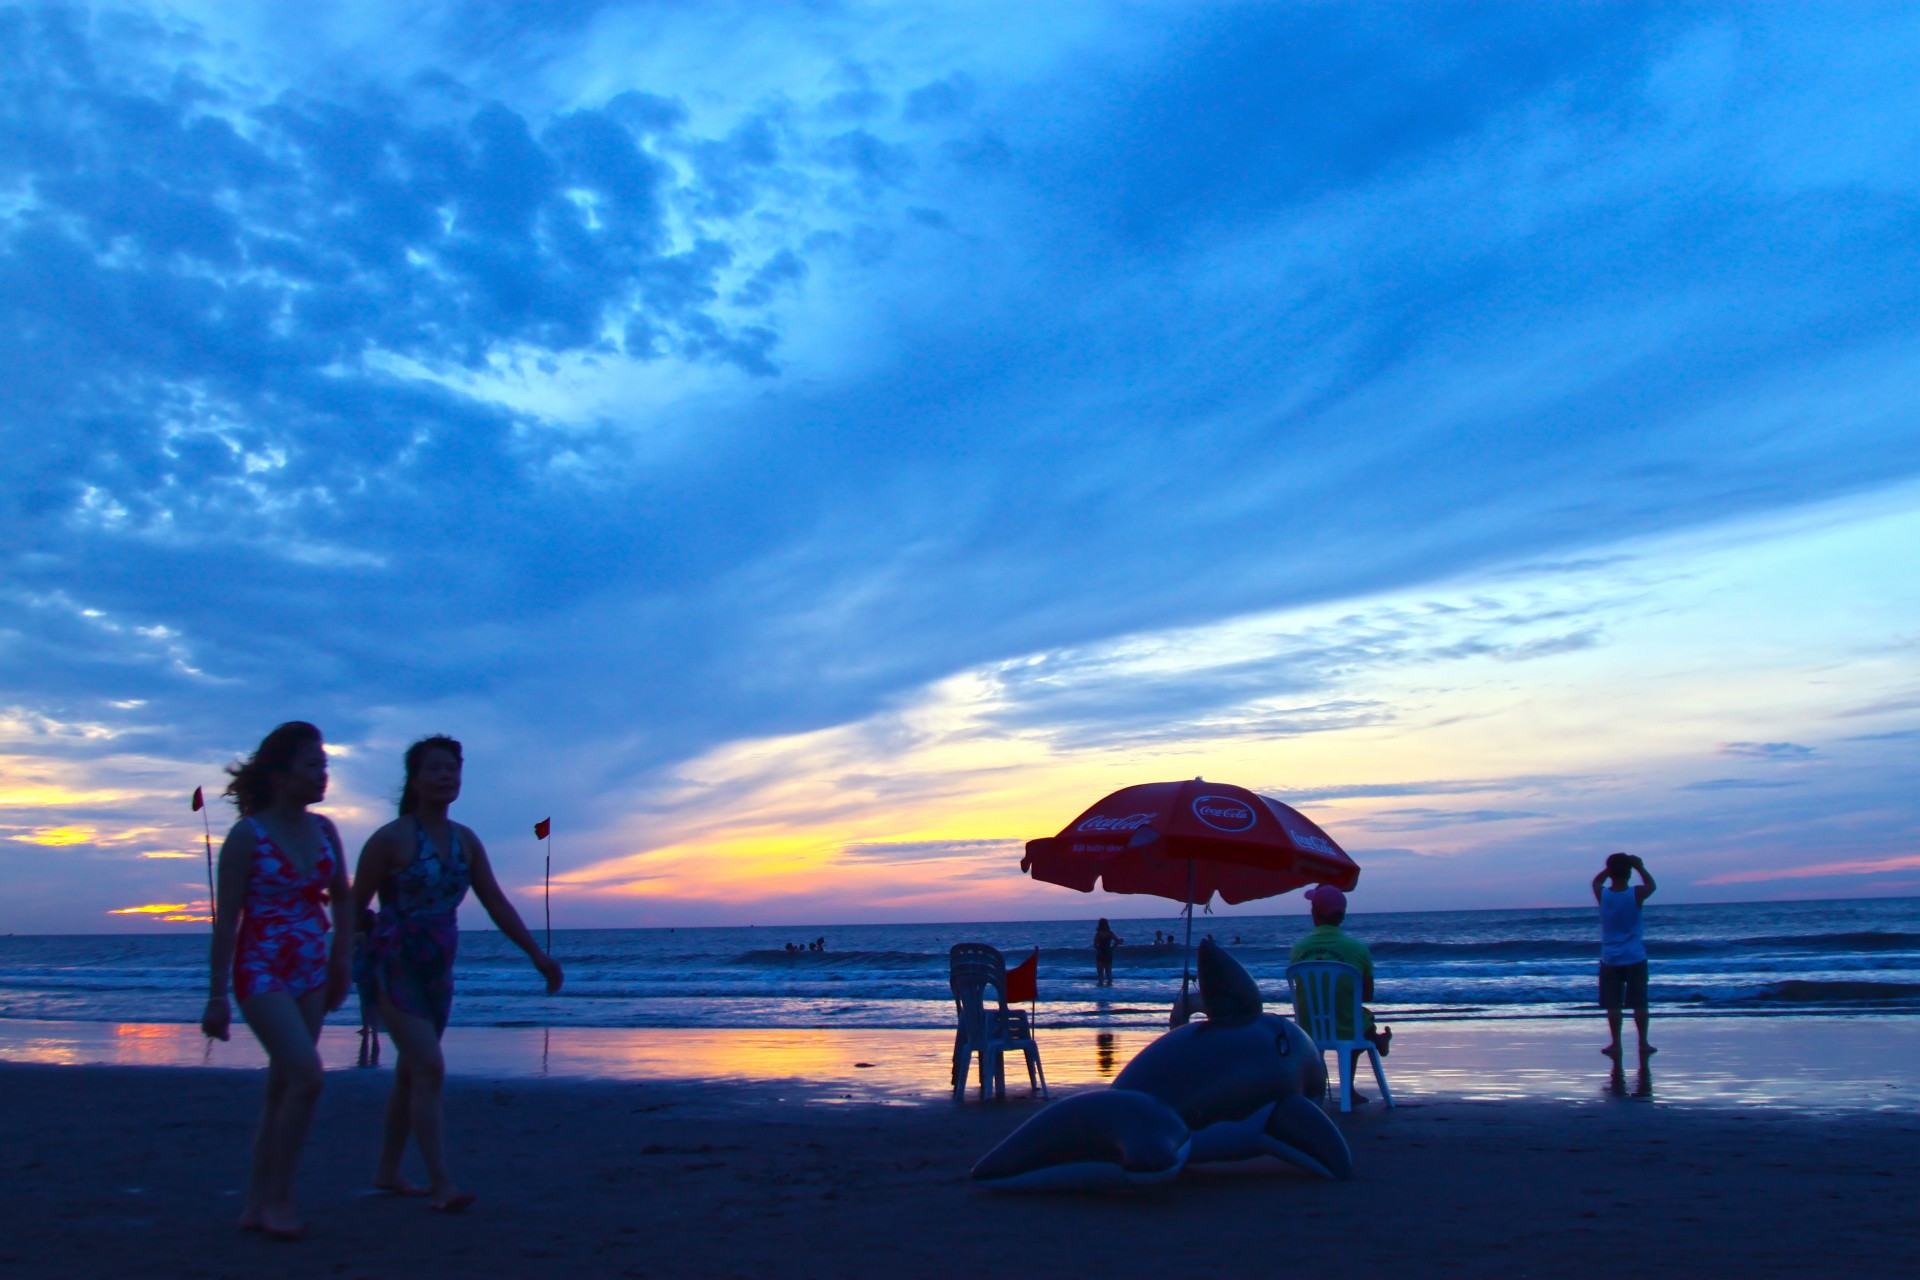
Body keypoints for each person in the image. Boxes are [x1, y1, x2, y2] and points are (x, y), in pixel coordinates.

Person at [352, 735, 563, 1212]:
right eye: (435, 769)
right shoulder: (391, 839)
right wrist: (334, 968)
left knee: (411, 1073)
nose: (447, 776)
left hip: (438, 971)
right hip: (394, 963)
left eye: (453, 769)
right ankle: (441, 1182)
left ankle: (387, 1170)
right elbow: (354, 903)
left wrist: (537, 955)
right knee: (428, 1067)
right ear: (415, 778)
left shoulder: (466, 841)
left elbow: (495, 901)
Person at [201, 721, 353, 1240]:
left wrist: (342, 962)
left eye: (325, 765)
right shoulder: (248, 836)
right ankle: (279, 1199)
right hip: (260, 968)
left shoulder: (327, 830)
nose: (322, 775)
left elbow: (345, 897)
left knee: (282, 1086)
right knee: (308, 1078)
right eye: (313, 764)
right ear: (283, 772)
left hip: (312, 966)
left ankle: (255, 1202)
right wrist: (216, 995)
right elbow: (228, 921)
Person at [1289, 886, 1390, 1101]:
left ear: (1314, 912)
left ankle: (1312, 1089)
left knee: (1347, 1017)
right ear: (1342, 916)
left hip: (1308, 1027)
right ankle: (1348, 1089)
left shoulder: (1298, 948)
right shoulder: (1358, 948)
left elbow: (1301, 988)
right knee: (1360, 1020)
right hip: (1346, 1026)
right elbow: (1367, 994)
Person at [1591, 852, 1657, 1062]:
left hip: (1611, 957)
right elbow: (1651, 885)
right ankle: (1643, 1043)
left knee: (1613, 1004)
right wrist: (1639, 867)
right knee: (1639, 1002)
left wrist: (1611, 868)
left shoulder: (1604, 895)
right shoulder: (1635, 894)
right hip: (1635, 956)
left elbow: (1597, 881)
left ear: (1611, 872)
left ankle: (1616, 1044)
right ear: (1629, 873)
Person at [354, 907, 382, 1068]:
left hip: (363, 970)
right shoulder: (377, 936)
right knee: (374, 1001)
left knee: (364, 1002)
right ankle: (375, 1032)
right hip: (375, 969)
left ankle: (366, 1028)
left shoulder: (360, 936)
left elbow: (349, 949)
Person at [1092, 918, 1123, 986]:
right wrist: (1112, 948)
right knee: (1109, 974)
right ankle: (1109, 992)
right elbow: (1118, 941)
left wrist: (1099, 949)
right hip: (1108, 953)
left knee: (1100, 975)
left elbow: (1094, 945)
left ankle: (1100, 993)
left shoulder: (1098, 934)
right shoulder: (1110, 933)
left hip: (1100, 953)